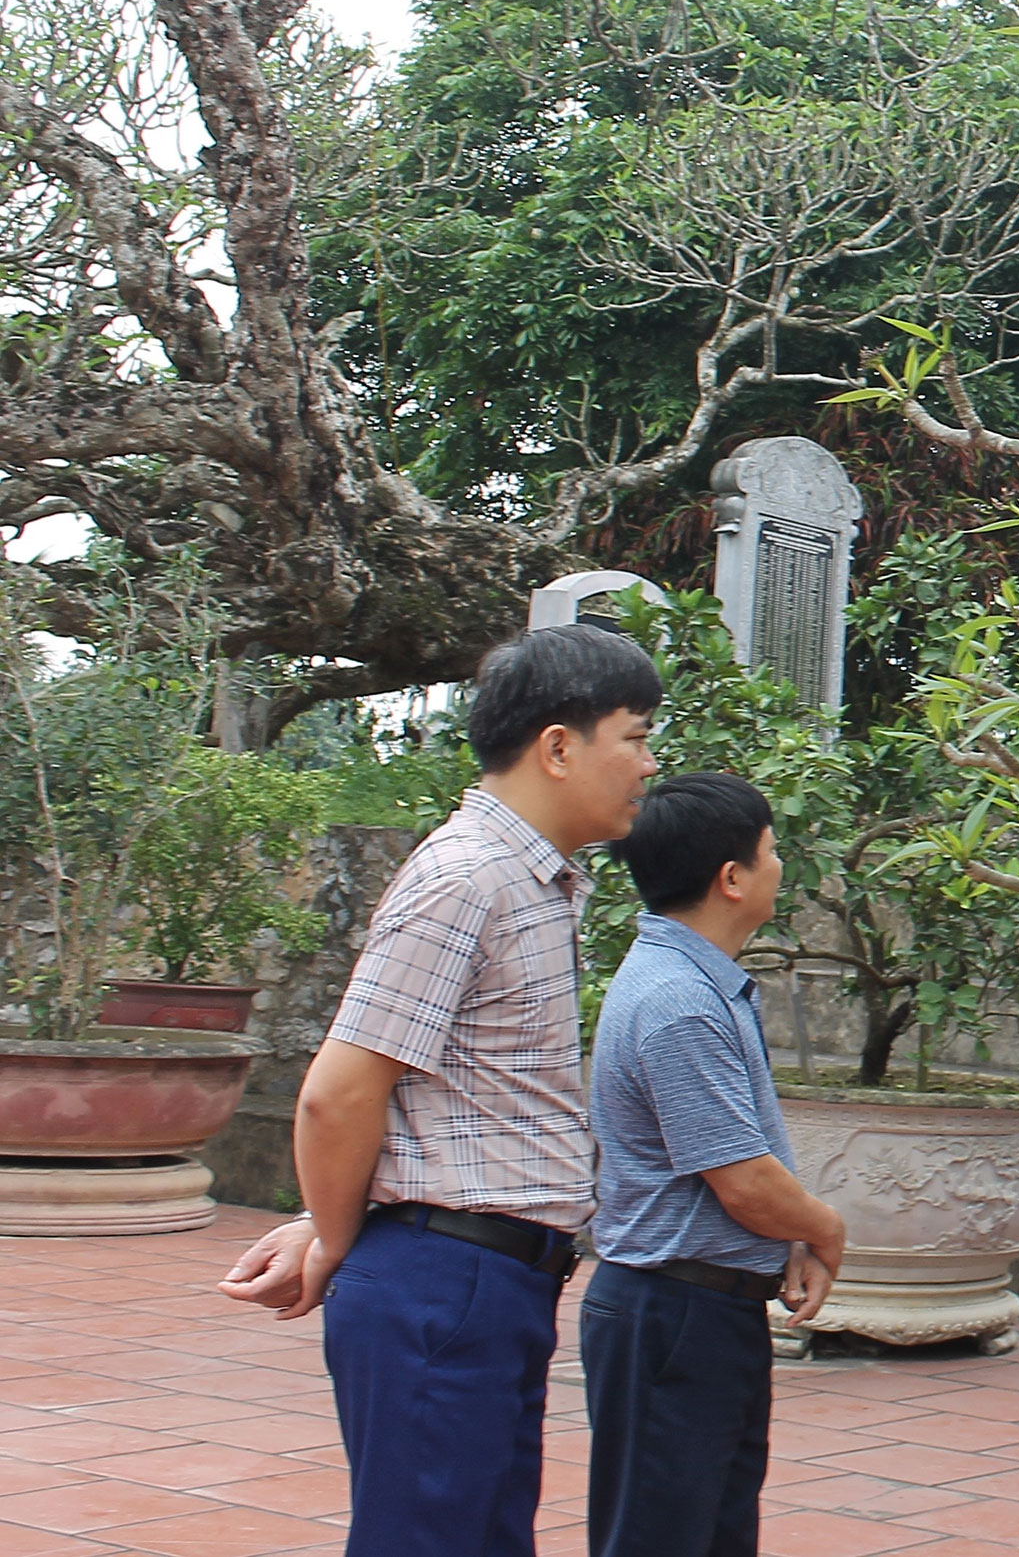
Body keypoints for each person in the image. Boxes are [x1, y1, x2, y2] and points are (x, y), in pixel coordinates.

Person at [214, 625, 662, 1557]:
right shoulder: (467, 879)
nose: (649, 765)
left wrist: (340, 1228)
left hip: (487, 1280)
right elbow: (339, 1093)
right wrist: (337, 1237)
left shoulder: (529, 881)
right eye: (636, 737)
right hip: (445, 1284)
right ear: (558, 746)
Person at [583, 773, 847, 1557]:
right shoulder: (680, 1004)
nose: (780, 866)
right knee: (661, 1538)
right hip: (674, 1312)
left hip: (699, 1310)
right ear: (731, 878)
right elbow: (743, 1182)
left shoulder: (697, 984)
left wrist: (788, 1236)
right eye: (771, 851)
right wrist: (824, 1228)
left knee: (710, 1533)